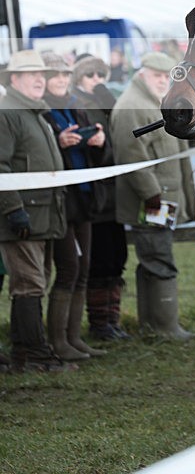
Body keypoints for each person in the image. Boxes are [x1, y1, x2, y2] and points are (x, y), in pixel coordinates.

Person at [110, 52, 195, 339]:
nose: (163, 81)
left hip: (160, 200)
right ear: (141, 74)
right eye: (157, 75)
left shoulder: (153, 102)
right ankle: (165, 327)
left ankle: (153, 324)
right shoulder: (132, 106)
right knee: (158, 257)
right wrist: (151, 194)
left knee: (153, 257)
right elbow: (130, 156)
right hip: (151, 202)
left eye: (166, 76)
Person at [0, 50, 72, 373]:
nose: (40, 80)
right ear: (14, 79)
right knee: (29, 284)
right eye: (32, 75)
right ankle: (35, 355)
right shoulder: (7, 113)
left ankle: (23, 353)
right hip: (23, 216)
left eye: (42, 74)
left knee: (34, 283)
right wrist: (13, 209)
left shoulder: (34, 113)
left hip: (43, 214)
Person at [42, 52, 107, 360]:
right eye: (54, 75)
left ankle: (74, 338)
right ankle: (58, 342)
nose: (60, 80)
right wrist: (59, 142)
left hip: (83, 199)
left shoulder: (76, 108)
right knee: (69, 268)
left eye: (64, 75)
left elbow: (102, 158)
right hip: (58, 202)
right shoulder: (41, 112)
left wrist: (99, 142)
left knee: (83, 269)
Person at [70, 55, 129, 341]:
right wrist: (100, 145)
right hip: (95, 193)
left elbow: (122, 135)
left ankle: (113, 319)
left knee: (118, 256)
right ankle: (99, 323)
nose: (97, 80)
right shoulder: (77, 105)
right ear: (79, 78)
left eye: (100, 74)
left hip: (115, 191)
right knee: (101, 259)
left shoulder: (107, 100)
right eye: (90, 75)